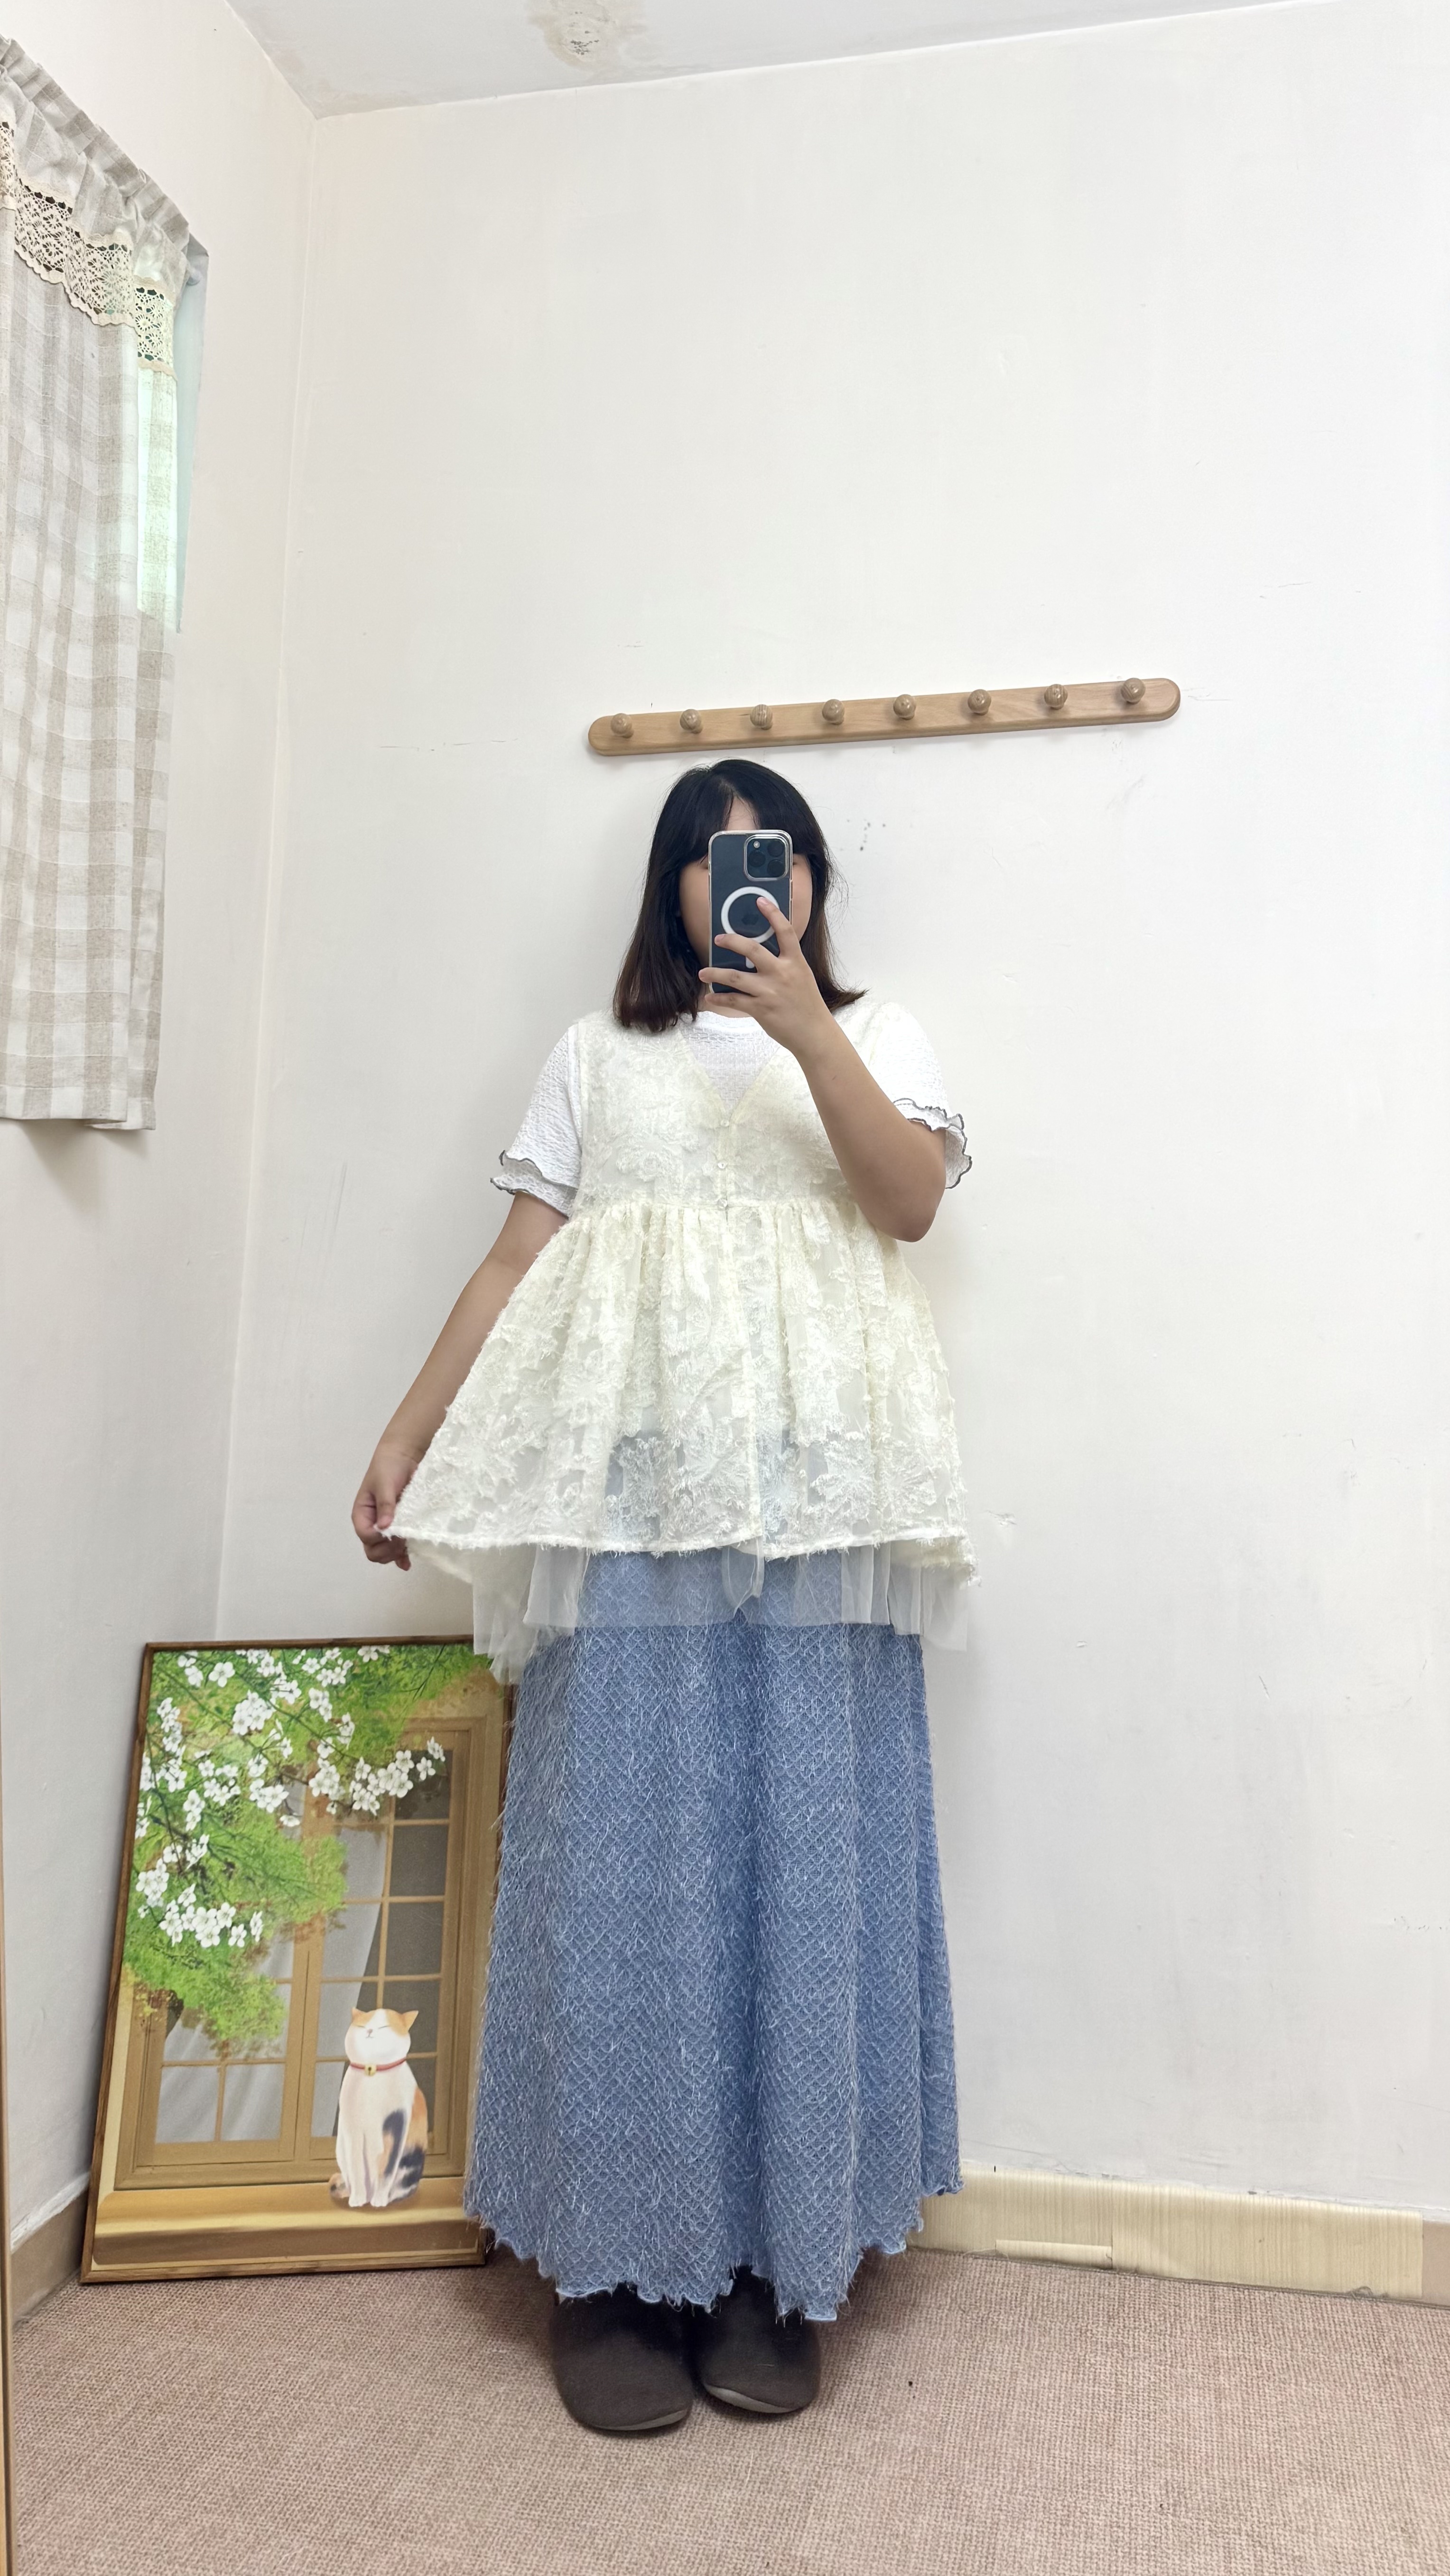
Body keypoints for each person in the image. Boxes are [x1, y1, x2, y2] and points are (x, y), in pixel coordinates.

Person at [352, 758, 974, 2434]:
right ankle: (615, 2268)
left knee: (804, 1858)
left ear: (813, 881)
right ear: (671, 885)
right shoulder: (594, 1055)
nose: (749, 879)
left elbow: (908, 1206)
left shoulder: (879, 1036)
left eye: (777, 855)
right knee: (613, 1865)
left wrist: (811, 1034)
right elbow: (514, 1259)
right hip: (626, 1507)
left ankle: (776, 2259)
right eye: (714, 855)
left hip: (823, 1508)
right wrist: (407, 1436)